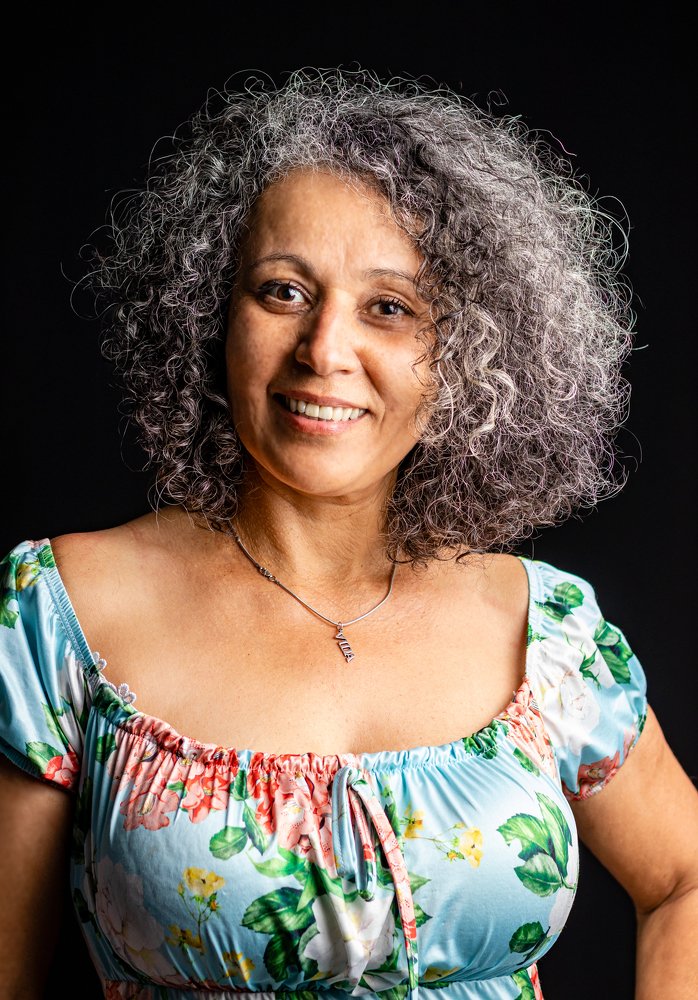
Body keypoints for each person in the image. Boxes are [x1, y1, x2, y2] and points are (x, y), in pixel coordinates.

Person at [1, 67, 696, 1000]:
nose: (325, 350)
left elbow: (684, 881)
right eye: (282, 291)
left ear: (471, 351)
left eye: (390, 307)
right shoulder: (61, 614)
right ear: (212, 314)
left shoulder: (548, 632)